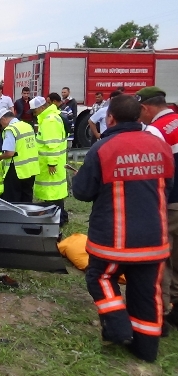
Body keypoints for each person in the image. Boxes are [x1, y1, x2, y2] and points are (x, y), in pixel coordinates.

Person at [72, 94, 174, 363]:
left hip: (113, 239)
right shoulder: (160, 145)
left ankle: (118, 327)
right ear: (139, 116)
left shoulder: (103, 148)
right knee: (146, 293)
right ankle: (146, 349)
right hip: (154, 239)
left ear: (110, 118)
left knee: (101, 278)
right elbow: (168, 188)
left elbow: (82, 192)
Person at [136, 86, 178, 331]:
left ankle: (157, 317)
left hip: (170, 204)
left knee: (158, 259)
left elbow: (156, 170)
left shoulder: (155, 130)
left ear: (144, 107)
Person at [32, 96, 69, 226]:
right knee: (54, 192)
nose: (34, 114)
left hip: (51, 164)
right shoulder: (49, 118)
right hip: (50, 163)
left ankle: (58, 219)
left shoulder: (50, 121)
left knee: (52, 193)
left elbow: (52, 144)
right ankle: (61, 216)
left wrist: (51, 163)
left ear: (41, 108)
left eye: (35, 111)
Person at [0, 110, 39, 203]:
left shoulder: (10, 130)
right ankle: (26, 217)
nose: (1, 126)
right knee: (27, 198)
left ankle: (13, 217)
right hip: (30, 168)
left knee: (12, 200)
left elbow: (9, 153)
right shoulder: (27, 126)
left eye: (0, 123)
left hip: (16, 169)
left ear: (3, 119)